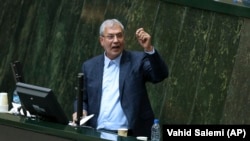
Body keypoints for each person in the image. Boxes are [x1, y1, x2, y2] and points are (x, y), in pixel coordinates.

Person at [72, 19, 168, 138]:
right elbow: (82, 99)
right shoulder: (90, 66)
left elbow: (160, 75)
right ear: (102, 40)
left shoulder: (137, 60)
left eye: (119, 36)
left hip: (129, 134)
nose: (116, 41)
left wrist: (149, 49)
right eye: (111, 37)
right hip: (97, 133)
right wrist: (80, 111)